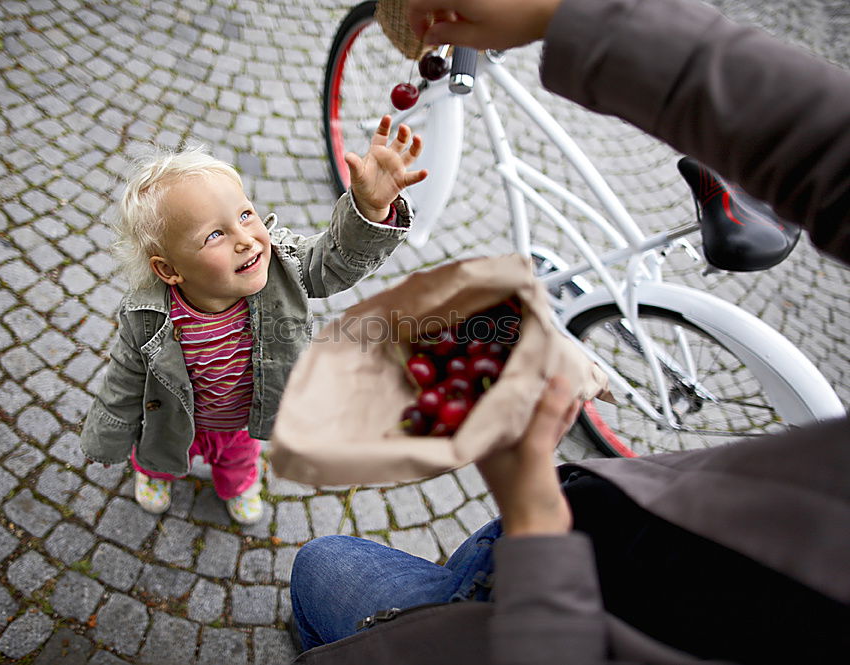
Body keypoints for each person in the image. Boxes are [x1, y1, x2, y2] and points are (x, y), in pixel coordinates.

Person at [288, 0, 850, 661]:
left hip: (525, 601)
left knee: (318, 565)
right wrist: (562, 15)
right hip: (595, 521)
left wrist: (528, 497)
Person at [80, 116, 427, 522]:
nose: (245, 239)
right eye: (214, 235)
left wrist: (368, 209)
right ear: (169, 270)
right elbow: (124, 379)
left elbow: (334, 260)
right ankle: (154, 471)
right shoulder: (147, 316)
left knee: (239, 461)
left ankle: (240, 482)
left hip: (243, 419)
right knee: (160, 448)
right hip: (176, 416)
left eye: (245, 215)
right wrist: (107, 438)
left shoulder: (281, 266)